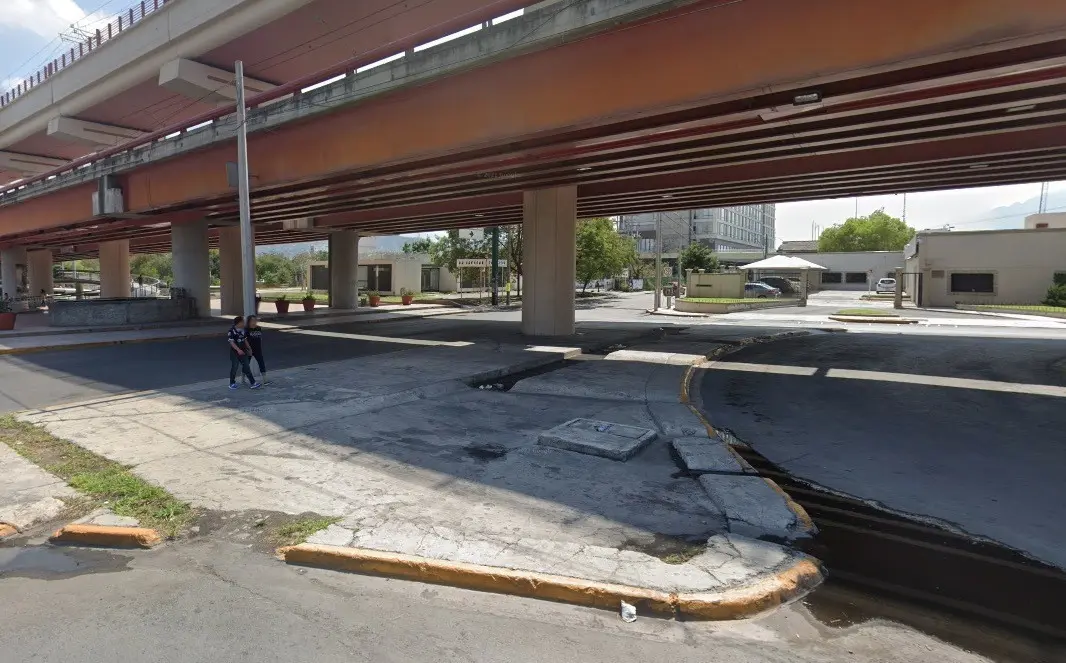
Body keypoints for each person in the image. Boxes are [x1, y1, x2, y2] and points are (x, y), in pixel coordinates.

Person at [227, 316, 259, 390]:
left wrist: (249, 348)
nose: (244, 323)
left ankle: (253, 382)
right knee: (235, 367)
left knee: (246, 366)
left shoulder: (243, 330)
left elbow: (245, 340)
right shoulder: (231, 331)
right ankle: (232, 383)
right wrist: (238, 350)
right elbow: (232, 343)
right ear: (239, 323)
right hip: (235, 352)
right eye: (243, 322)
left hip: (243, 351)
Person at [246, 315, 268, 385]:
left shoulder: (258, 328)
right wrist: (248, 349)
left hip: (258, 349)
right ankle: (243, 378)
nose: (254, 322)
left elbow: (260, 338)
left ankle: (265, 380)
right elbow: (245, 340)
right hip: (249, 349)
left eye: (255, 320)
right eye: (252, 321)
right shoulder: (246, 330)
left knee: (261, 363)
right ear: (249, 322)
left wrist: (260, 346)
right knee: (246, 364)